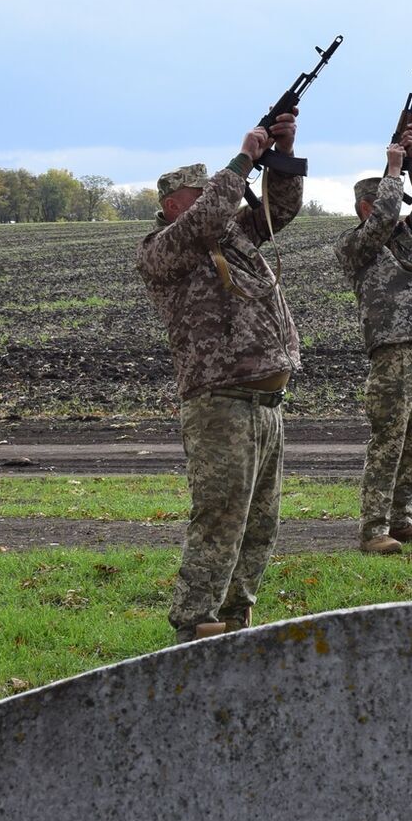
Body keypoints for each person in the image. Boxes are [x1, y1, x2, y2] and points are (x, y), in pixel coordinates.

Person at [135, 111, 302, 643]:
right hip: (220, 402)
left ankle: (234, 618)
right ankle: (193, 621)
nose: (210, 196)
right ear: (172, 205)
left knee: (259, 520)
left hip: (266, 403)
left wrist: (279, 155)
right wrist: (241, 160)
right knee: (220, 515)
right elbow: (205, 220)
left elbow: (284, 208)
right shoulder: (163, 249)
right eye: (197, 191)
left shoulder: (232, 238)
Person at [334, 123, 412, 555]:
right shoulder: (355, 245)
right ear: (368, 205)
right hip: (393, 351)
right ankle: (373, 527)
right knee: (389, 440)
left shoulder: (406, 236)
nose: (399, 211)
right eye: (388, 201)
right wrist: (393, 172)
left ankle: (402, 518)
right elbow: (381, 221)